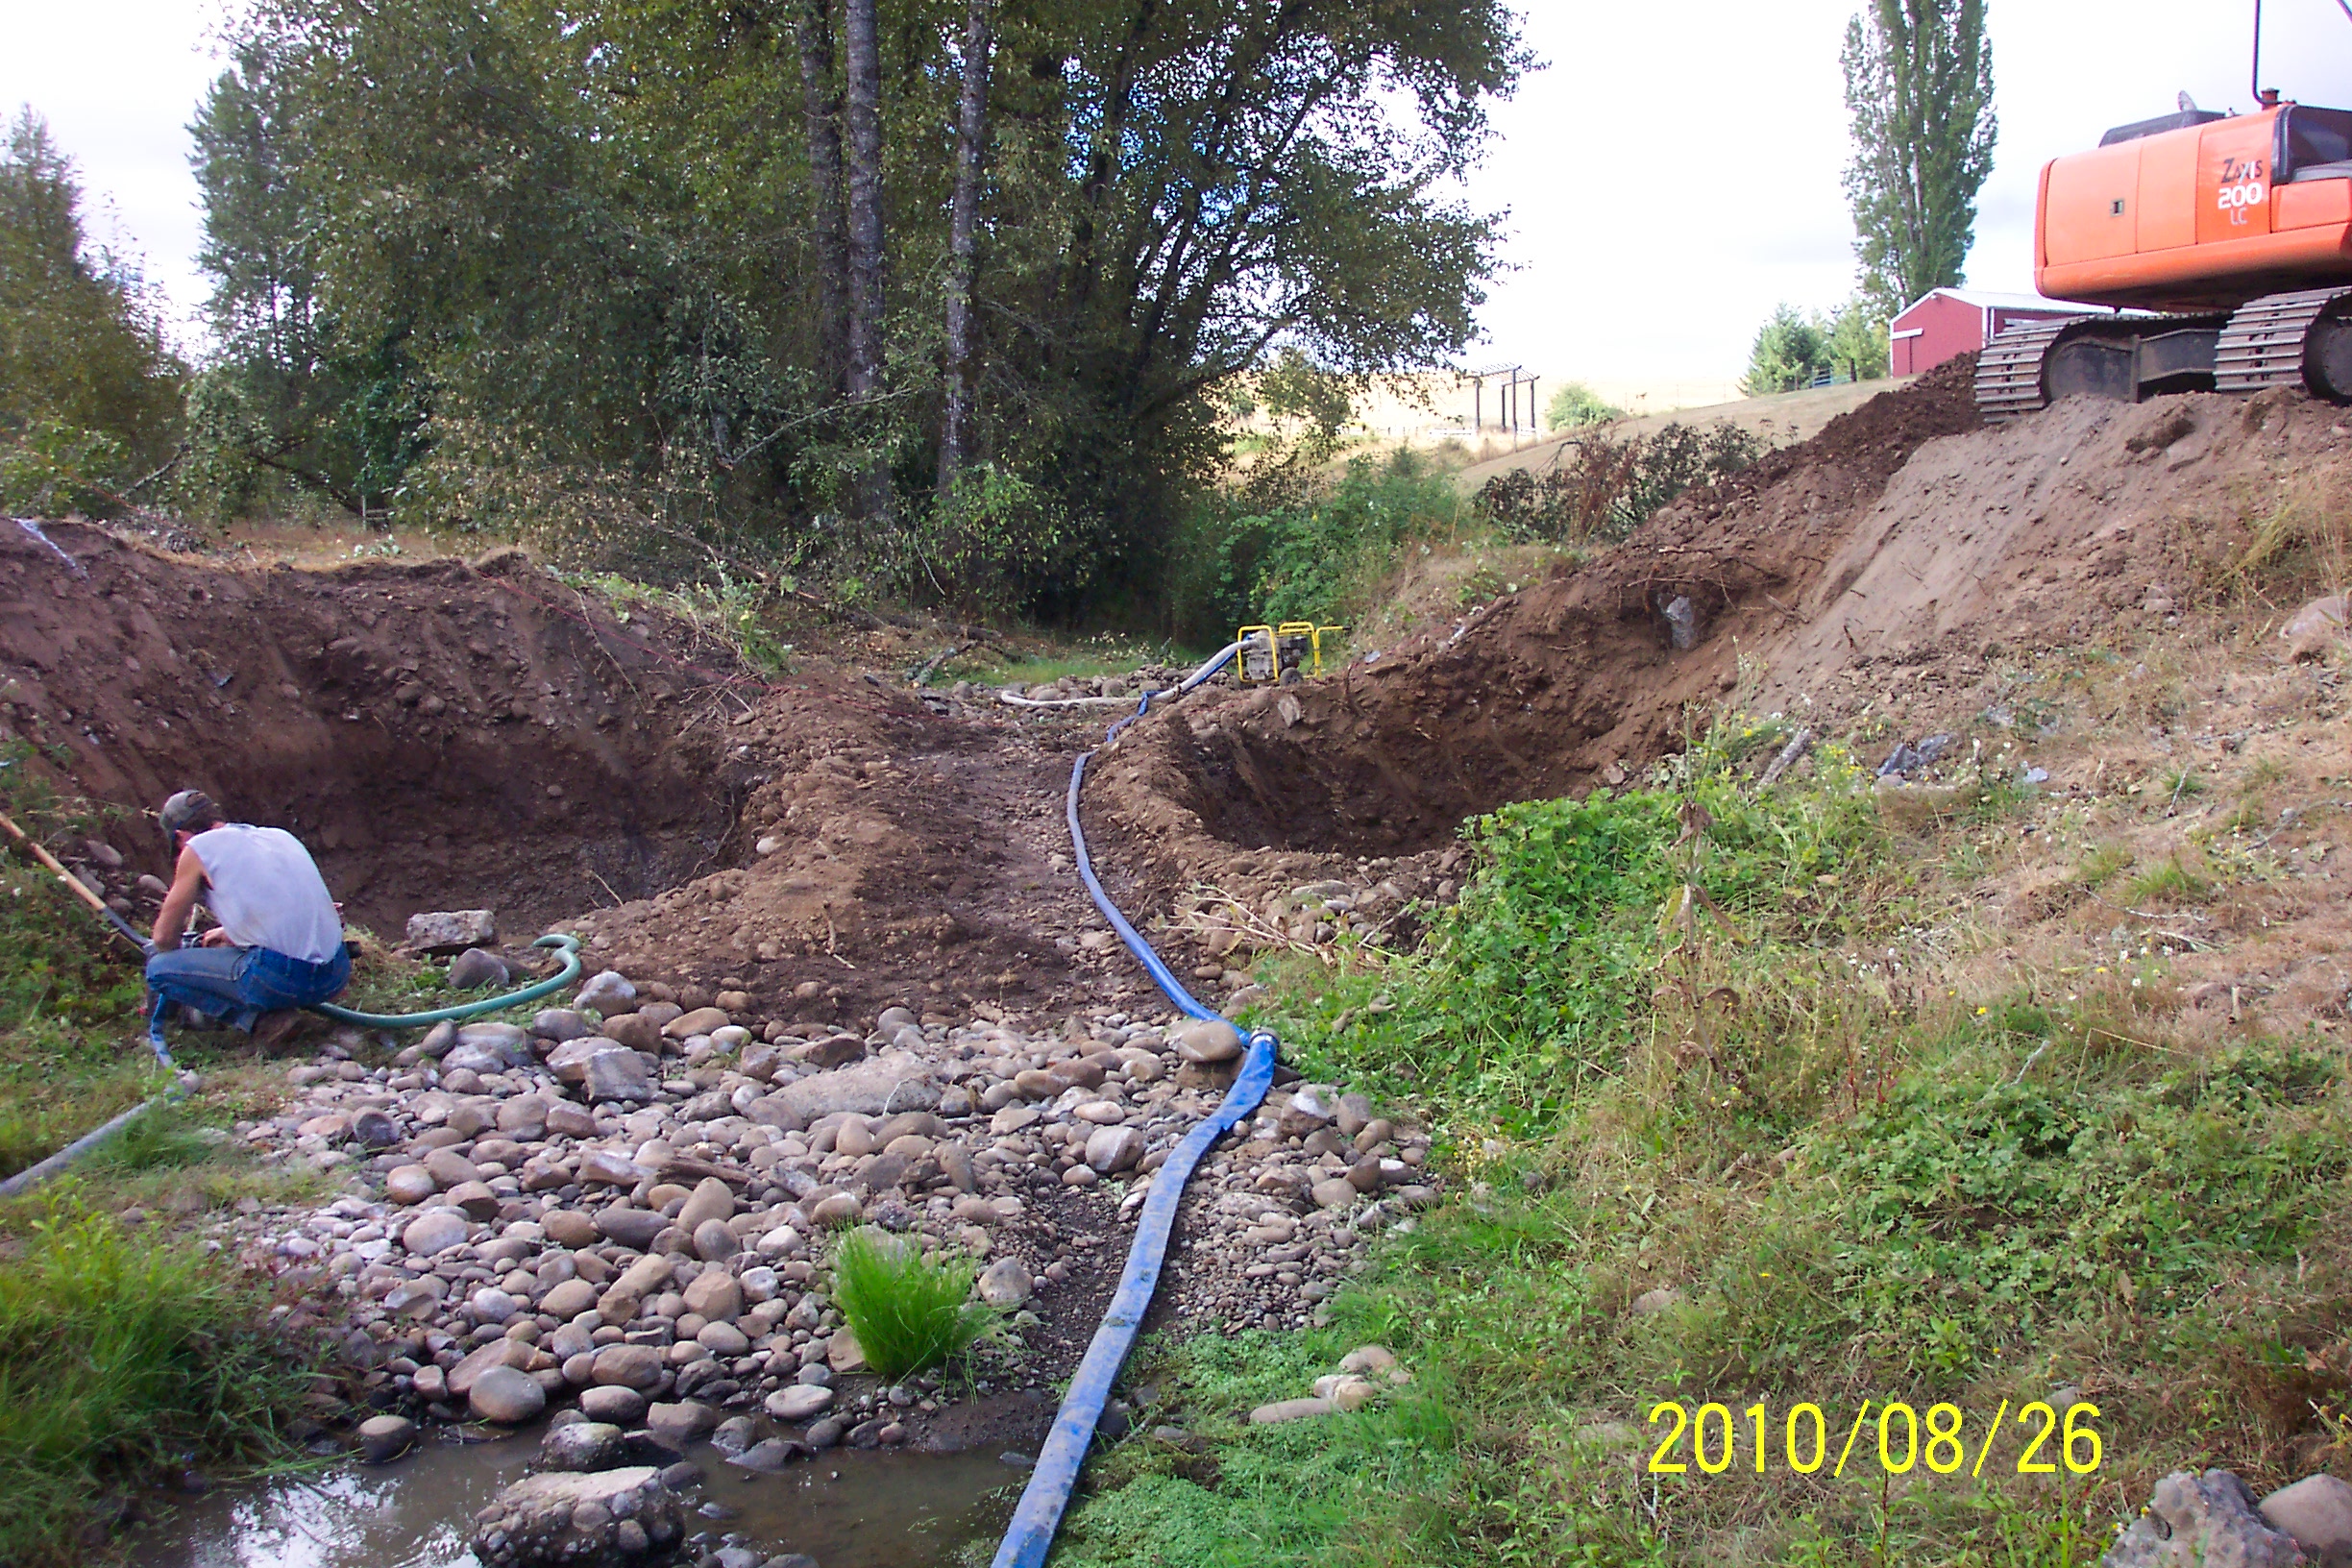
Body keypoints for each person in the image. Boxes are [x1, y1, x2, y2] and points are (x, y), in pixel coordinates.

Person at [143, 790, 350, 1051]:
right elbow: (282, 906)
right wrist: (229, 934)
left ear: (181, 837)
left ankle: (261, 1021)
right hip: (336, 972)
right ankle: (278, 1009)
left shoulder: (196, 849)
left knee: (159, 969)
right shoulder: (277, 836)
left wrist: (180, 962)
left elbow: (163, 938)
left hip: (283, 979)